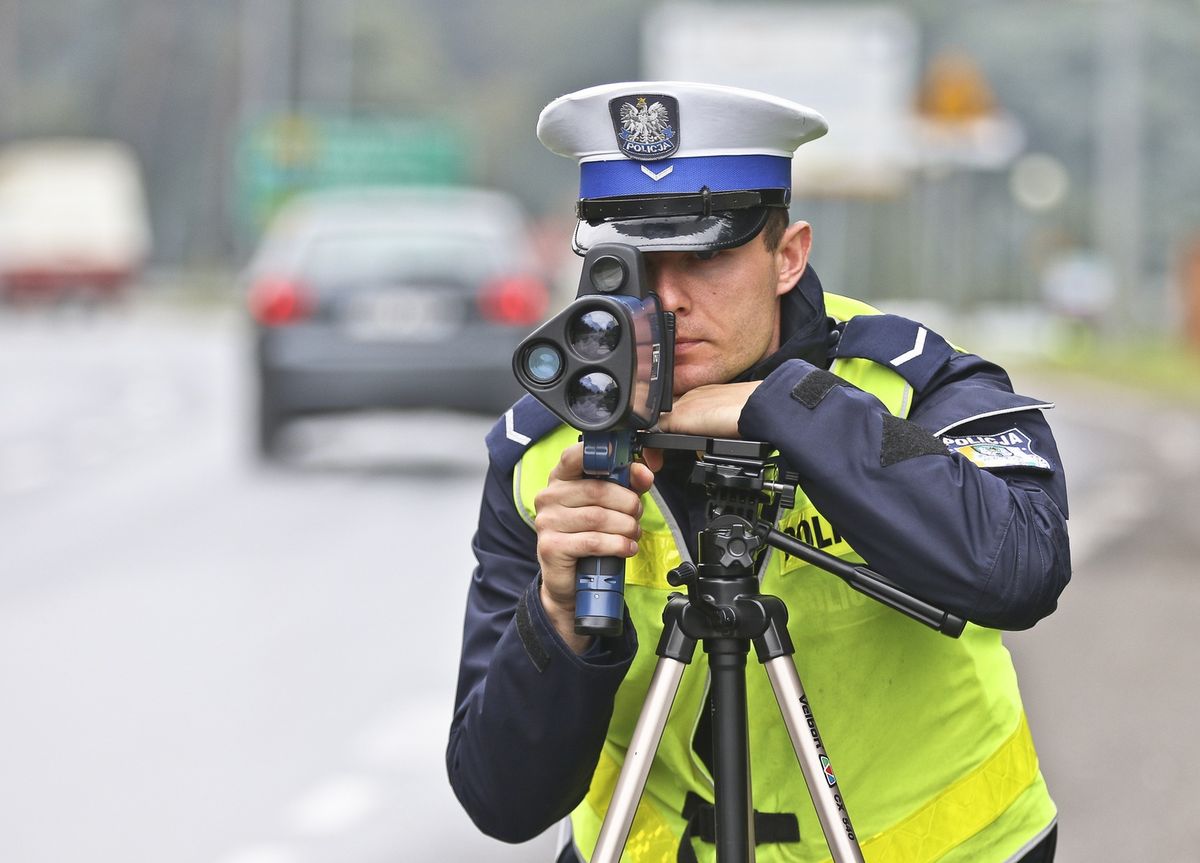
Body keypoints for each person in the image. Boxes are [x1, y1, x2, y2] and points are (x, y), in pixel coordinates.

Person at [447, 82, 1070, 863]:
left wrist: (794, 405)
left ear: (787, 255)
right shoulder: (540, 455)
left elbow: (1022, 567)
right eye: (633, 262)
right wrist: (558, 616)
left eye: (705, 254)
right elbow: (501, 800)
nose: (666, 299)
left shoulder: (909, 384)